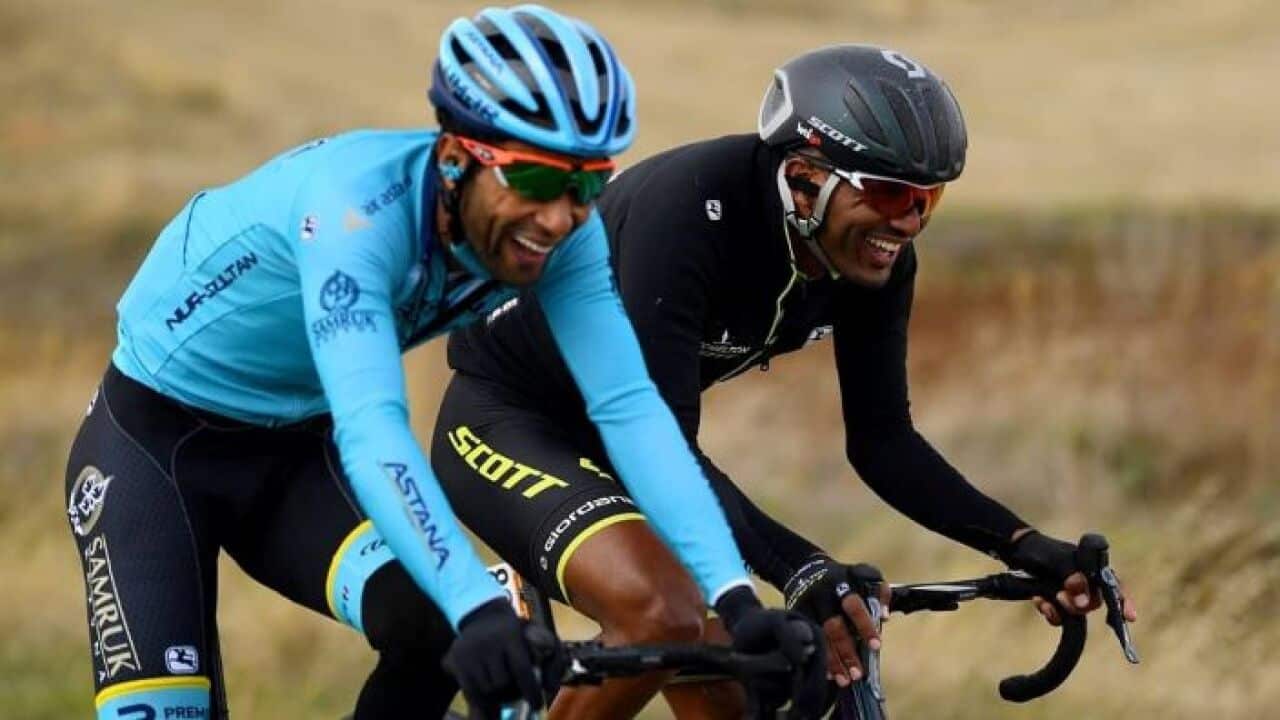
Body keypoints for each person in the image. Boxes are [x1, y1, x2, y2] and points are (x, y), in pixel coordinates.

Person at [62, 6, 829, 720]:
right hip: (154, 451)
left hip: (291, 453)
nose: (560, 216)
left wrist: (737, 602)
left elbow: (630, 412)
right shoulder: (355, 213)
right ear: (461, 157)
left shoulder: (564, 238)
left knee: (431, 627)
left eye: (588, 184)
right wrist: (481, 607)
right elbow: (373, 428)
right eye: (533, 179)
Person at [431, 42, 1139, 716]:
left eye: (930, 200)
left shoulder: (872, 256)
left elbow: (884, 441)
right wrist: (801, 568)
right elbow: (663, 447)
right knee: (660, 613)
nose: (912, 221)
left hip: (628, 446)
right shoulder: (686, 214)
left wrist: (1020, 544)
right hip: (509, 421)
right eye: (892, 193)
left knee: (743, 694)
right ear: (805, 178)